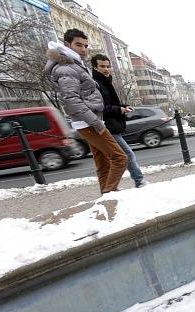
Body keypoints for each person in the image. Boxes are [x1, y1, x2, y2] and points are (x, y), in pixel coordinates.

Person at [44, 29, 127, 194]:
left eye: (86, 45)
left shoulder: (75, 64)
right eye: (78, 45)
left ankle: (106, 195)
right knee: (120, 158)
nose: (83, 49)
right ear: (67, 44)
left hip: (91, 120)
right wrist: (96, 123)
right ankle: (111, 193)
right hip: (89, 123)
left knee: (103, 162)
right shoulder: (66, 68)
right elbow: (71, 100)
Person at [91, 54, 147, 188]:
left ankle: (111, 188)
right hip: (106, 126)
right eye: (102, 66)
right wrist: (119, 110)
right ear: (94, 67)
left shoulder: (105, 82)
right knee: (126, 155)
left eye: (108, 66)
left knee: (112, 159)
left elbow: (110, 103)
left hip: (111, 125)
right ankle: (138, 181)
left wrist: (123, 106)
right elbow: (99, 108)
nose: (106, 69)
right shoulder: (96, 84)